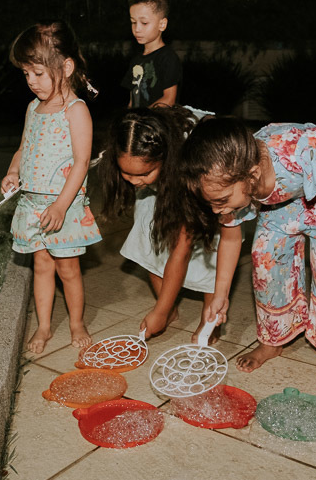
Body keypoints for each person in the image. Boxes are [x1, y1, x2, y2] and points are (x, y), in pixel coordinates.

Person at [179, 117, 316, 387]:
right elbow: (232, 240)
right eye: (209, 203)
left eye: (220, 201)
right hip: (284, 198)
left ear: (252, 174)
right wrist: (220, 295)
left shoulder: (296, 148)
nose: (215, 210)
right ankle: (274, 338)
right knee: (265, 259)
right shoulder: (232, 182)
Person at [99, 106, 242, 342]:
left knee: (210, 251)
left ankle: (210, 321)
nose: (134, 181)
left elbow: (181, 249)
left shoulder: (188, 170)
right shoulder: (138, 144)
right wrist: (163, 310)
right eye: (127, 173)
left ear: (166, 159)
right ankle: (169, 309)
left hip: (198, 181)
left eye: (144, 173)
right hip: (164, 186)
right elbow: (140, 175)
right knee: (149, 239)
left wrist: (159, 311)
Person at [1, 20, 102, 354]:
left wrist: (60, 205)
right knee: (41, 265)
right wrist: (13, 170)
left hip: (64, 203)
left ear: (66, 66)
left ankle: (77, 323)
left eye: (38, 73)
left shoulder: (76, 111)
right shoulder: (33, 108)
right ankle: (44, 327)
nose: (31, 81)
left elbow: (82, 161)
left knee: (67, 268)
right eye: (26, 74)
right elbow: (22, 148)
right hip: (32, 203)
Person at [121, 0, 182, 108]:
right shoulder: (136, 60)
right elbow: (132, 100)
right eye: (133, 22)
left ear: (162, 24)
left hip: (158, 124)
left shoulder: (168, 58)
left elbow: (169, 99)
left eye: (144, 23)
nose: (137, 29)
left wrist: (143, 119)